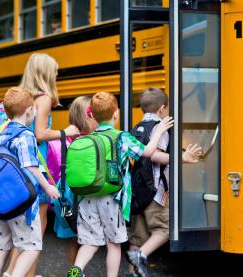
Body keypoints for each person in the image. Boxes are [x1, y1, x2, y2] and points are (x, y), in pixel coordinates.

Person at [67, 92, 174, 277]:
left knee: (90, 242)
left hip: (87, 198)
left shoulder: (86, 139)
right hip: (111, 198)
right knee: (113, 244)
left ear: (91, 115)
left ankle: (76, 269)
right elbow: (147, 152)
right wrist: (158, 132)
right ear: (116, 113)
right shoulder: (121, 137)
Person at [4, 53, 80, 277]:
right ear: (46, 74)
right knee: (37, 226)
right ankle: (23, 274)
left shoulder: (25, 96)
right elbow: (39, 133)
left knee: (23, 226)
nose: (56, 76)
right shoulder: (44, 98)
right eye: (55, 72)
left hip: (20, 163)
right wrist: (66, 132)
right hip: (38, 161)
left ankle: (12, 272)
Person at [126, 88, 202, 277]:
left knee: (137, 236)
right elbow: (155, 156)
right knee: (165, 229)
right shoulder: (160, 127)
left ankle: (131, 273)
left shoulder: (136, 128)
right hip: (155, 192)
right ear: (162, 108)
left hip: (137, 190)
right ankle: (140, 257)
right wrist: (182, 157)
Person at [0, 87, 60, 277]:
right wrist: (48, 186)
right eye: (34, 109)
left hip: (0, 201)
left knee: (1, 248)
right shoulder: (26, 135)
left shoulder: (2, 133)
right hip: (21, 201)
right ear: (29, 111)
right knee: (32, 247)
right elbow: (30, 167)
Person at [48, 96, 97, 265]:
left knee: (75, 238)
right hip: (83, 194)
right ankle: (78, 269)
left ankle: (74, 270)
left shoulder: (66, 140)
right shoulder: (90, 141)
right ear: (88, 117)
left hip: (68, 195)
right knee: (86, 239)